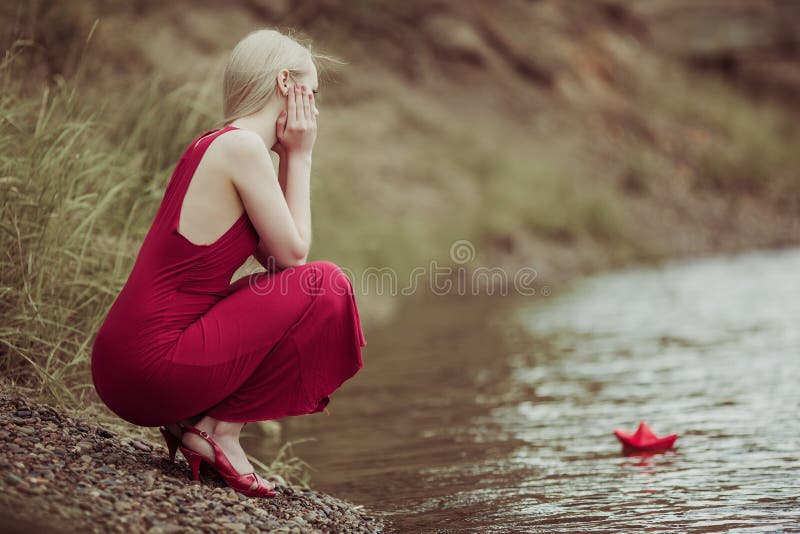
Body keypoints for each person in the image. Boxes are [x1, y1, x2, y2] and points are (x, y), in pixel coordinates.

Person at [90, 28, 366, 498]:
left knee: (306, 286)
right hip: (149, 367)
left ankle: (194, 420)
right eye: (312, 93)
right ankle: (221, 431)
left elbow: (280, 266)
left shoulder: (215, 144)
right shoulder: (241, 149)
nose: (315, 111)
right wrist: (300, 154)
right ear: (285, 84)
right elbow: (298, 256)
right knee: (329, 285)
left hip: (122, 361)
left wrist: (289, 155)